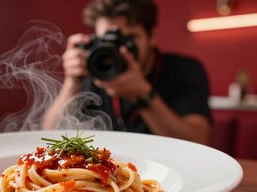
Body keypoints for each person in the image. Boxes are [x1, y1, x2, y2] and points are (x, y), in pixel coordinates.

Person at [42, 0, 211, 145]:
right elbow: (50, 136)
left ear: (152, 35)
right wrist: (72, 83)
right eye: (107, 39)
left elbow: (196, 141)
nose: (119, 50)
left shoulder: (184, 70)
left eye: (128, 39)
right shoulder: (94, 70)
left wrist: (143, 94)